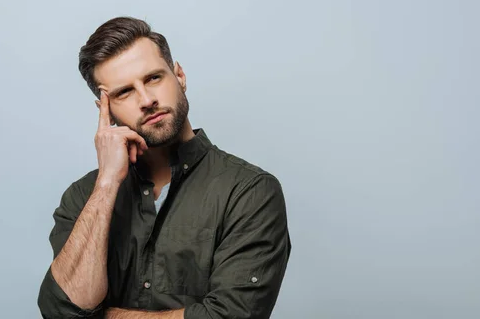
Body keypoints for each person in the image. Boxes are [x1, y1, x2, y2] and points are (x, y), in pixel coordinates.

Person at [37, 17, 292, 319]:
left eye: (154, 78)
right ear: (105, 111)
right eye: (124, 93)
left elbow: (232, 316)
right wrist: (106, 184)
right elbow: (61, 309)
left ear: (179, 76)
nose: (146, 100)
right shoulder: (83, 197)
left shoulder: (250, 192)